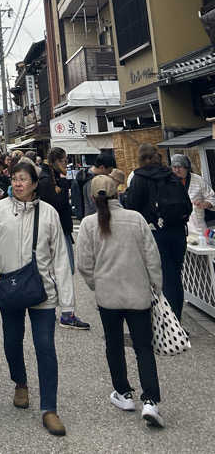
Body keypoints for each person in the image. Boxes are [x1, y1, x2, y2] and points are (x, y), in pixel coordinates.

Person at [0, 159, 73, 437]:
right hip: (9, 286)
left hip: (42, 289)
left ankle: (49, 407)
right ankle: (20, 382)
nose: (18, 183)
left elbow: (60, 258)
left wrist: (67, 301)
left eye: (24, 179)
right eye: (15, 178)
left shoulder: (48, 214)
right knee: (12, 340)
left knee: (45, 346)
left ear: (35, 184)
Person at [76, 174, 164, 427]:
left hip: (108, 296)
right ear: (119, 193)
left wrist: (96, 284)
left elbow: (84, 264)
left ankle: (123, 393)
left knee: (114, 345)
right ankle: (150, 400)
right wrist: (156, 288)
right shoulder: (135, 219)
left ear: (92, 197)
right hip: (138, 295)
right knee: (143, 348)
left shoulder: (89, 223)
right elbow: (152, 258)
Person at [122, 143, 192, 320]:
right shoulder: (172, 175)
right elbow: (188, 206)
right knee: (175, 276)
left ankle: (168, 324)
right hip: (177, 232)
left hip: (155, 232)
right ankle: (176, 318)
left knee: (160, 276)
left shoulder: (139, 178)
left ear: (141, 159)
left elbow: (132, 208)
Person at [37, 146, 89, 330]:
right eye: (64, 160)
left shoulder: (50, 178)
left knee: (62, 270)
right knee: (63, 270)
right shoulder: (46, 180)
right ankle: (65, 313)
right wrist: (65, 183)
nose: (66, 164)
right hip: (55, 232)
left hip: (60, 230)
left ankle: (57, 311)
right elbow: (55, 205)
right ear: (56, 162)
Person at [170, 153, 215, 237]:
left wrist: (205, 204)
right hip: (179, 229)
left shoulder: (198, 180)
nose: (176, 170)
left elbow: (212, 198)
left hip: (198, 228)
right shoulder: (168, 183)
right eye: (174, 167)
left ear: (186, 167)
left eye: (179, 167)